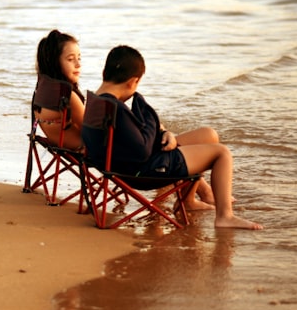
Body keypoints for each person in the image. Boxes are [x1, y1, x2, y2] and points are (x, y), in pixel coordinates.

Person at [82, 45, 263, 230]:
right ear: (132, 82)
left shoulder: (97, 102)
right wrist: (148, 114)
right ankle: (225, 217)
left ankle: (188, 201)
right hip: (142, 172)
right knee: (222, 154)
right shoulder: (116, 109)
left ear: (105, 71)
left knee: (208, 135)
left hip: (130, 164)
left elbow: (133, 139)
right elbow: (141, 150)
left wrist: (165, 133)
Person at [33, 30, 86, 151]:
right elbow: (93, 133)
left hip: (59, 144)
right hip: (84, 149)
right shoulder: (68, 96)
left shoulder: (43, 88)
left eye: (79, 58)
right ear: (55, 63)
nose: (78, 64)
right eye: (70, 59)